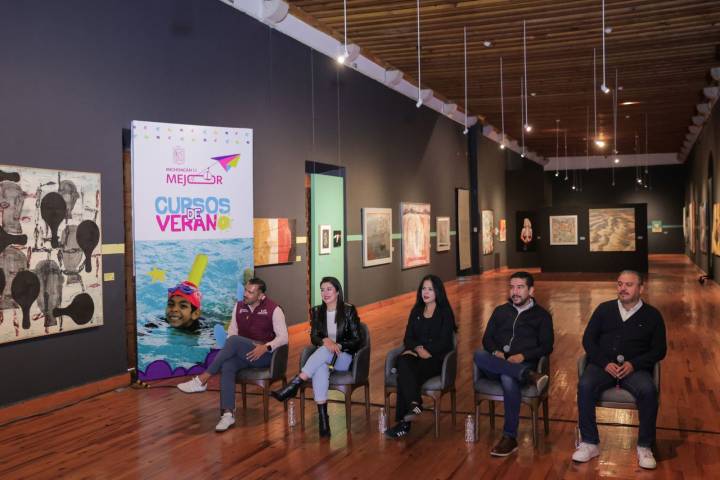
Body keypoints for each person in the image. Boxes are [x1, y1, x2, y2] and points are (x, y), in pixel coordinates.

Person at [573, 270, 666, 470]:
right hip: (603, 366)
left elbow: (660, 350)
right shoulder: (604, 309)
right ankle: (589, 443)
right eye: (620, 284)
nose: (623, 288)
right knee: (585, 385)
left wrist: (635, 364)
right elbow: (588, 340)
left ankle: (644, 446)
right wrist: (604, 362)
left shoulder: (653, 315)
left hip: (635, 369)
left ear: (641, 288)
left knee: (648, 391)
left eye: (629, 285)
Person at [177, 277, 289, 432]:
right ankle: (228, 413)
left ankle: (202, 379)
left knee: (234, 341)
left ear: (261, 296)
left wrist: (266, 347)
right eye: (246, 290)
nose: (246, 294)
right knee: (228, 364)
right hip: (246, 352)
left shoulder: (274, 309)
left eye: (250, 292)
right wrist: (235, 348)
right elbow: (232, 333)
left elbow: (284, 338)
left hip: (266, 356)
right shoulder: (239, 306)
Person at [473, 271, 554, 456]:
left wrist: (523, 356)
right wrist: (496, 352)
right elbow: (487, 339)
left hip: (524, 363)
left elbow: (547, 346)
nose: (515, 292)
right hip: (497, 363)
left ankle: (510, 437)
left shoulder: (542, 316)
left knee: (507, 377)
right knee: (479, 355)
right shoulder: (500, 311)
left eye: (520, 287)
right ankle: (527, 376)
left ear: (531, 291)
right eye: (512, 287)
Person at [271, 276, 363, 437]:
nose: (325, 293)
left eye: (329, 289)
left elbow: (357, 340)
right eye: (322, 290)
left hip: (343, 357)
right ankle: (323, 421)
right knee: (320, 366)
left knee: (325, 350)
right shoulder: (317, 311)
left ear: (337, 291)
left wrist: (338, 345)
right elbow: (314, 337)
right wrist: (325, 340)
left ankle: (296, 383)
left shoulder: (349, 310)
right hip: (325, 358)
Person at [385, 274, 456, 439]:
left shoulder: (445, 312)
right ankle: (414, 403)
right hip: (417, 355)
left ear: (438, 291)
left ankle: (404, 423)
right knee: (403, 361)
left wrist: (427, 351)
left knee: (404, 373)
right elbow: (408, 338)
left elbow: (446, 342)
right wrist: (417, 350)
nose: (426, 292)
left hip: (436, 359)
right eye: (424, 288)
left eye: (430, 289)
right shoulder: (416, 311)